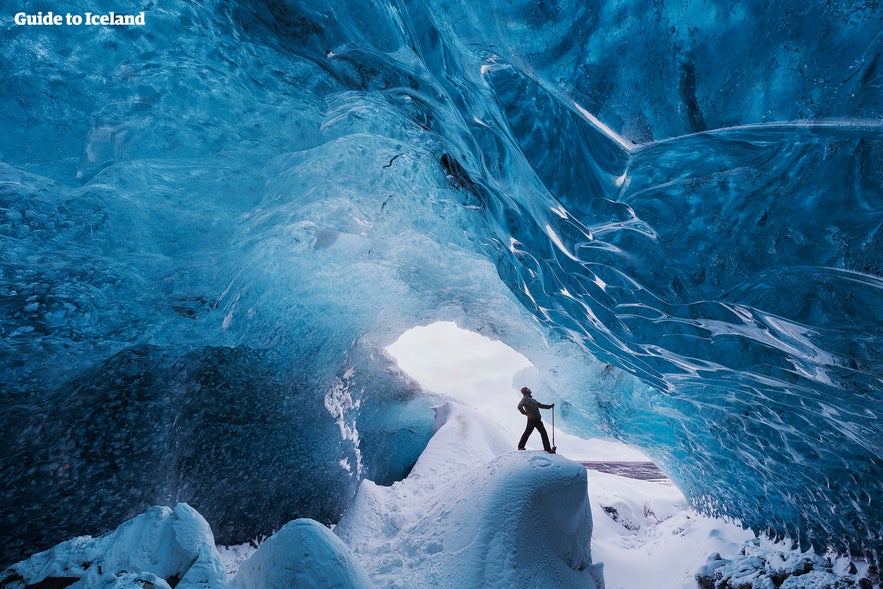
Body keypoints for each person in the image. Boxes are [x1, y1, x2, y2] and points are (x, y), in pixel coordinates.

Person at [516, 386, 555, 453]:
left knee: (542, 433)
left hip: (537, 419)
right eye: (528, 389)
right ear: (526, 391)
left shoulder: (532, 400)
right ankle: (520, 447)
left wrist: (549, 406)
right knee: (528, 433)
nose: (530, 389)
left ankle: (548, 449)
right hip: (532, 419)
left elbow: (540, 405)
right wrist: (526, 414)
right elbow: (519, 406)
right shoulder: (525, 399)